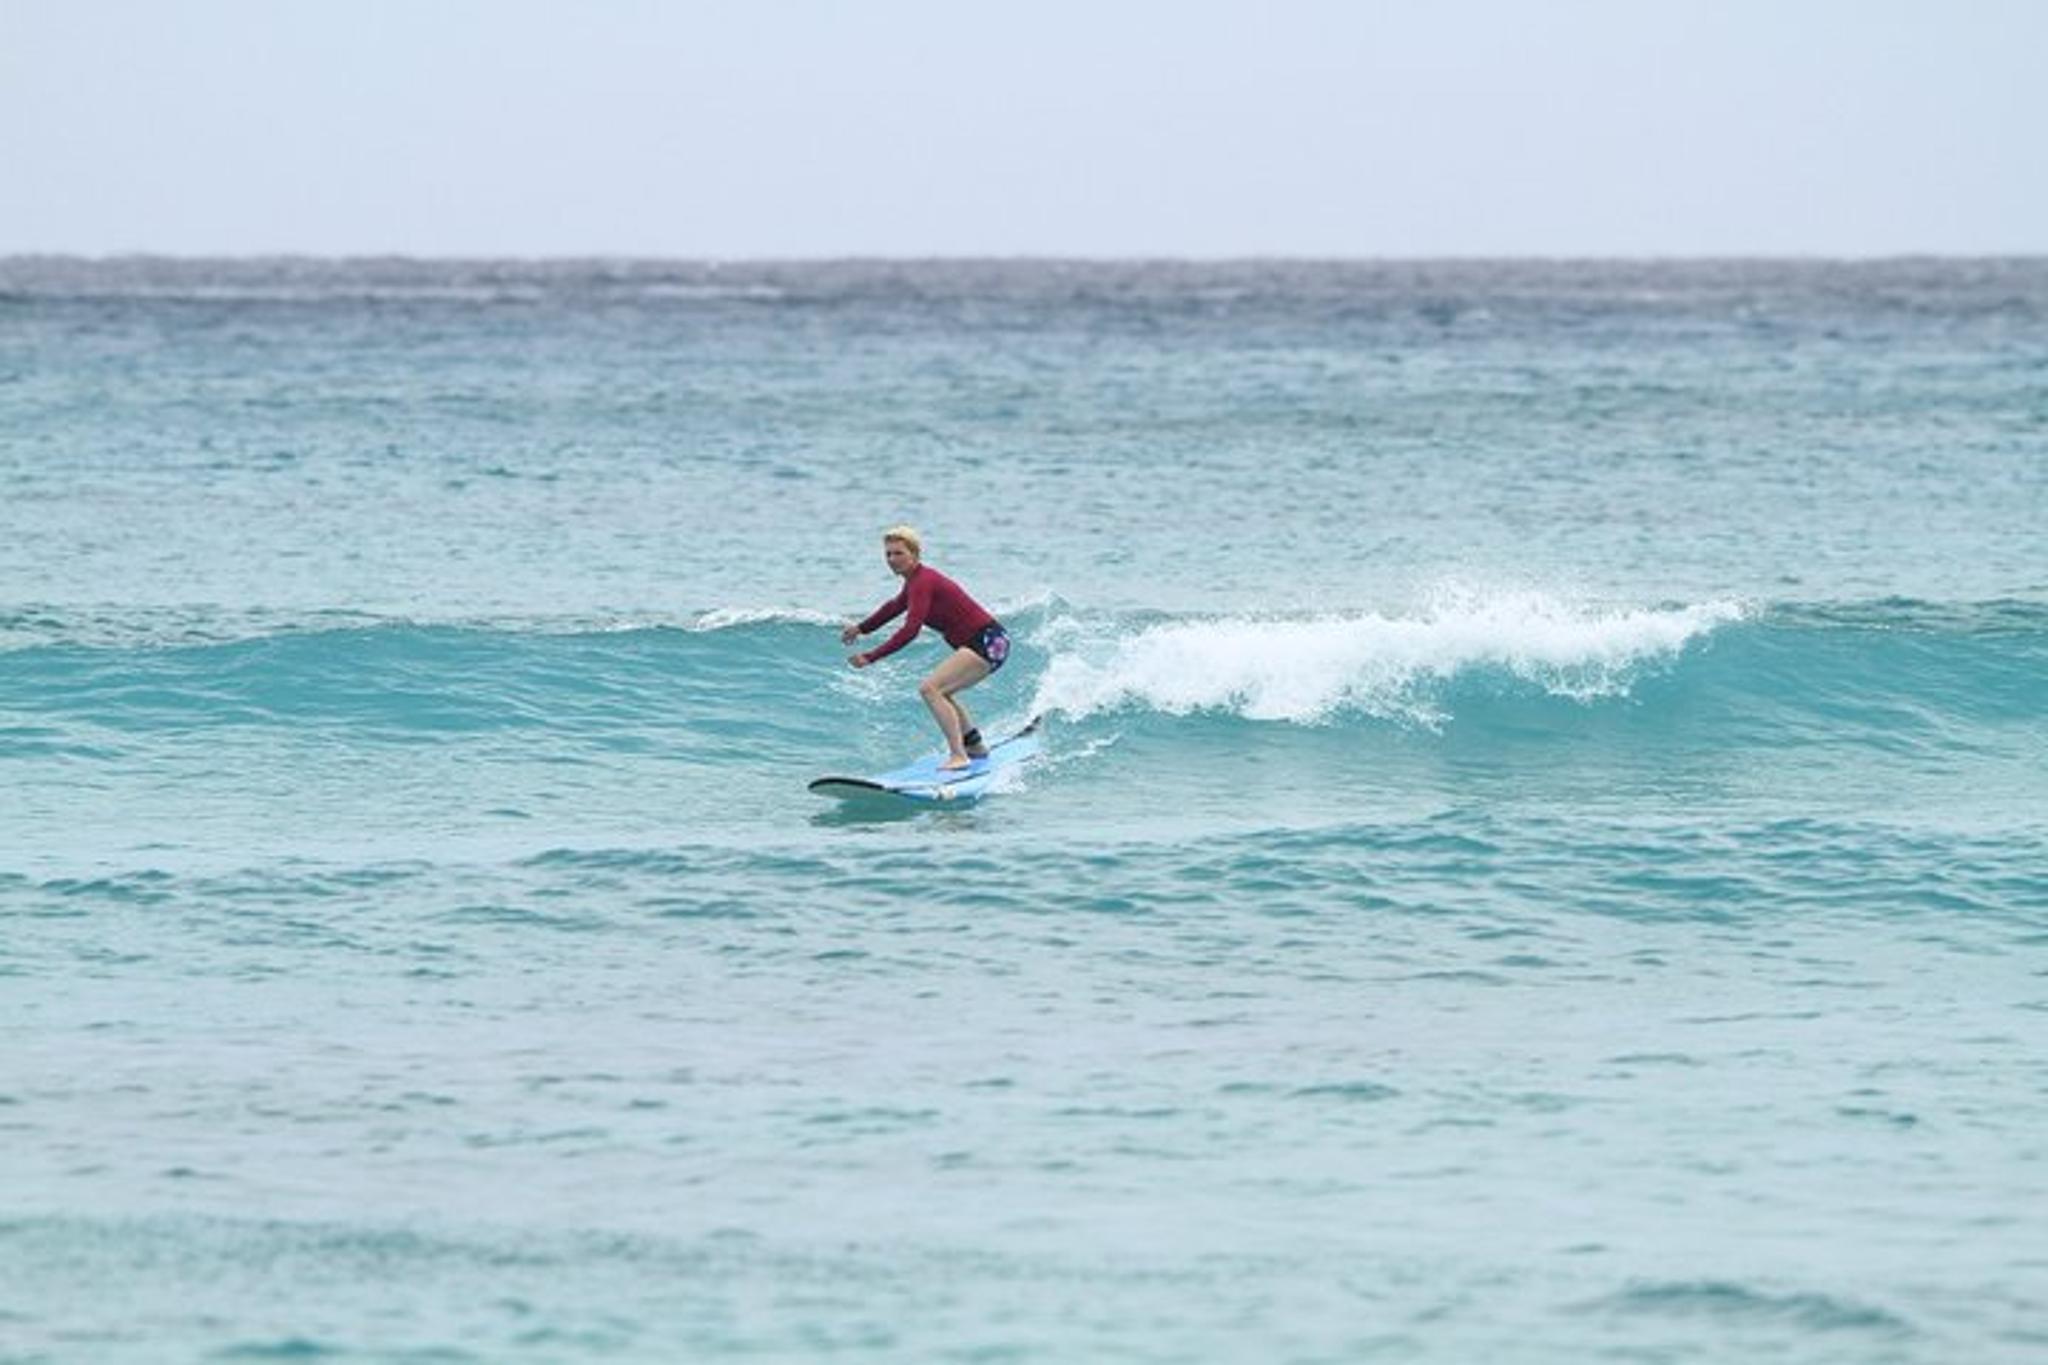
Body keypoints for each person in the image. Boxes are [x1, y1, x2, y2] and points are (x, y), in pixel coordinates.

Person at [842, 525, 1010, 770]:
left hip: (986, 641)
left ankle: (958, 756)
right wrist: (861, 628)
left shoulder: (923, 581)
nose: (892, 559)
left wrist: (871, 656)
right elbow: (894, 607)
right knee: (942, 692)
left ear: (914, 554)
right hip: (989, 641)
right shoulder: (914, 583)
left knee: (930, 689)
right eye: (888, 554)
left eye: (898, 553)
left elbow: (911, 630)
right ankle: (974, 746)